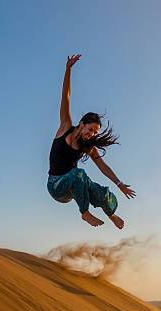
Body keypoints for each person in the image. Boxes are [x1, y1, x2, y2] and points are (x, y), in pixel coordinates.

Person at [47, 54, 136, 228]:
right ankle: (85, 213)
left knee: (100, 191)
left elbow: (103, 167)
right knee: (78, 174)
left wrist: (120, 184)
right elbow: (66, 97)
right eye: (90, 129)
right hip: (56, 186)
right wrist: (68, 70)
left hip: (74, 188)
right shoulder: (66, 127)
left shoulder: (88, 147)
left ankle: (111, 214)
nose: (92, 134)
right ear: (81, 124)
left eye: (95, 133)